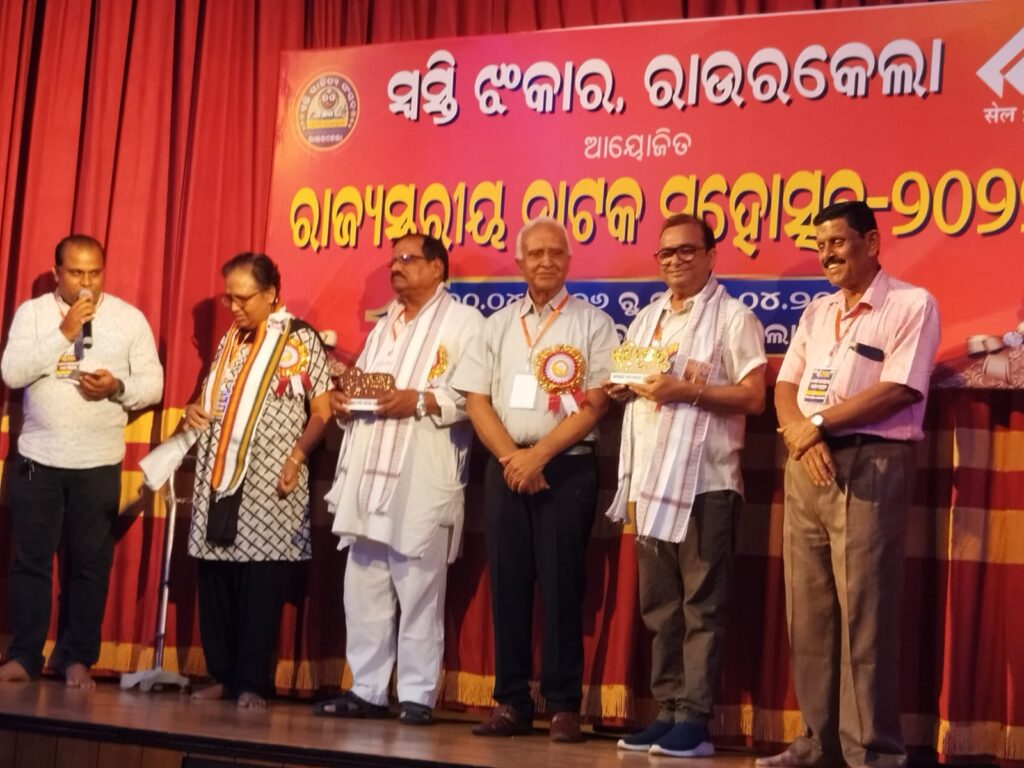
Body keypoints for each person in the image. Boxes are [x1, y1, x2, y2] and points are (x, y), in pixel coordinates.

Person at [761, 200, 940, 768]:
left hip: (871, 464)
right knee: (808, 612)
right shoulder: (817, 312)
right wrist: (801, 434)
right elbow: (785, 385)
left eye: (837, 242)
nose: (827, 255)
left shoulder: (911, 304)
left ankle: (872, 753)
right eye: (820, 246)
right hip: (807, 464)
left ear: (872, 242)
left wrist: (815, 424)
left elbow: (900, 388)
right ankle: (818, 744)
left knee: (866, 613)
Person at [605, 213, 766, 758]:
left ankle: (695, 722)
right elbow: (636, 382)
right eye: (666, 253)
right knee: (661, 607)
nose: (675, 260)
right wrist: (624, 387)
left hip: (706, 482)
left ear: (710, 256)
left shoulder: (733, 318)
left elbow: (754, 397)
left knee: (702, 605)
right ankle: (668, 710)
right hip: (650, 483)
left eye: (686, 251)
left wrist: (686, 392)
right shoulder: (646, 318)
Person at [452, 216, 618, 743]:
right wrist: (512, 459)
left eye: (556, 253)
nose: (546, 261)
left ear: (569, 260)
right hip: (507, 469)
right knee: (508, 585)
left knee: (564, 586)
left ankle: (563, 705)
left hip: (566, 469)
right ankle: (511, 702)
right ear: (520, 262)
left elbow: (596, 403)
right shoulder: (496, 324)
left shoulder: (594, 323)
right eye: (536, 253)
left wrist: (540, 455)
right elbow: (475, 399)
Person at [316, 234, 483, 725]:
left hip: (420, 477)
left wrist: (422, 400)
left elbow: (475, 396)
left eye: (408, 259)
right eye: (393, 260)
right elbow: (366, 386)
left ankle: (416, 694)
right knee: (363, 587)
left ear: (437, 268)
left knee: (419, 589)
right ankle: (366, 689)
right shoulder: (383, 325)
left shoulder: (465, 322)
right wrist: (345, 401)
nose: (396, 267)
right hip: (367, 475)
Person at [0, 234, 163, 689]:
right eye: (76, 273)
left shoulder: (129, 319)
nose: (86, 283)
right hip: (38, 458)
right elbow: (12, 372)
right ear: (57, 273)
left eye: (94, 273)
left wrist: (117, 387)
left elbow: (153, 384)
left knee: (90, 565)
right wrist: (64, 333)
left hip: (98, 461)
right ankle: (25, 655)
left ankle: (76, 658)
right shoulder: (33, 314)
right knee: (30, 561)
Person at [182, 253, 331, 710]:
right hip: (219, 476)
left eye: (244, 298)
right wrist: (192, 410)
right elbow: (211, 398)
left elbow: (322, 410)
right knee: (216, 577)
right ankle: (222, 675)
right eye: (229, 298)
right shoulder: (231, 339)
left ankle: (251, 681)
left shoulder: (299, 339)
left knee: (260, 581)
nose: (234, 307)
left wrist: (298, 455)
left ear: (270, 294)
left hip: (271, 478)